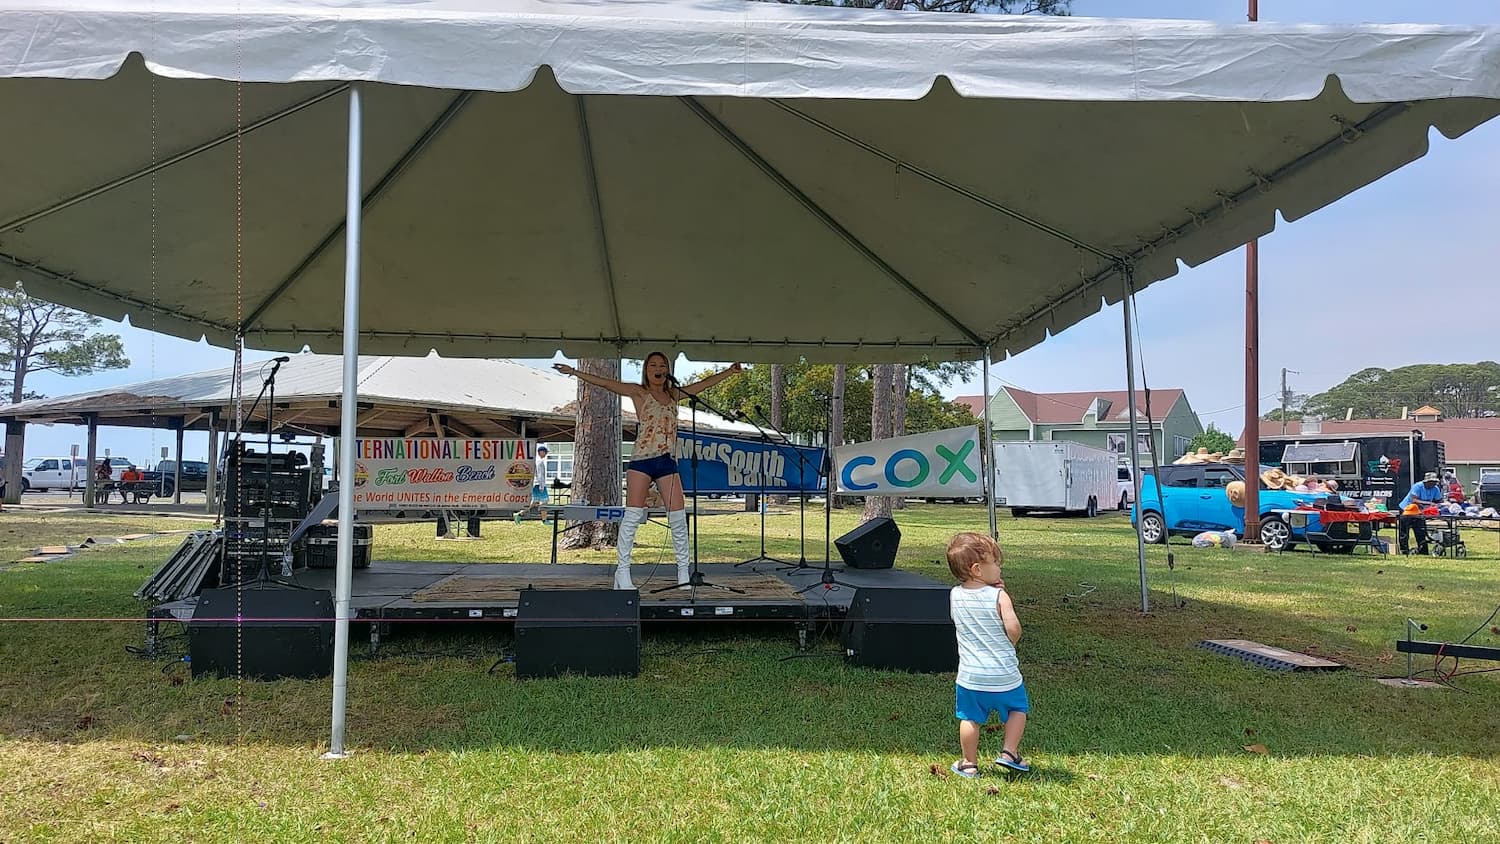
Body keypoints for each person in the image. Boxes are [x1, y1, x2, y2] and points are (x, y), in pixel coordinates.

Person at [552, 354, 745, 589]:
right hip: (642, 460)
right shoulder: (638, 392)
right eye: (653, 365)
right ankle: (622, 573)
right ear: (646, 370)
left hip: (666, 461)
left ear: (668, 370)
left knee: (677, 517)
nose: (658, 369)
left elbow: (700, 386)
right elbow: (606, 383)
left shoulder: (674, 395)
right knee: (632, 516)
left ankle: (683, 571)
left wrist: (728, 372)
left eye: (662, 365)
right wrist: (574, 371)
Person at [945, 532, 1029, 779]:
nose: (999, 567)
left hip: (971, 677)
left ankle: (969, 763)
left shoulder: (954, 595)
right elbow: (1014, 630)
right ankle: (1009, 752)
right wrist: (1011, 635)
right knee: (1017, 710)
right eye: (995, 562)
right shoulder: (999, 596)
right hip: (1004, 674)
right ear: (977, 569)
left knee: (970, 718)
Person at [1397, 472, 1444, 555]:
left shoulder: (1435, 489)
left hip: (1419, 512)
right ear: (1426, 482)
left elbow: (1439, 500)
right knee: (1404, 532)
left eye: (1435, 482)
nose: (1434, 484)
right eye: (1432, 482)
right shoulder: (1417, 486)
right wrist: (1428, 503)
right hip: (1407, 510)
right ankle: (1404, 551)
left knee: (1421, 531)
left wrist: (1441, 504)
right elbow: (1414, 500)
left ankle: (1423, 551)